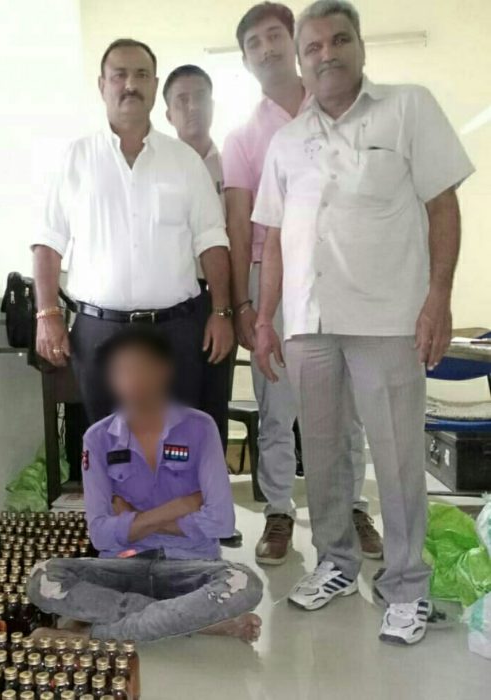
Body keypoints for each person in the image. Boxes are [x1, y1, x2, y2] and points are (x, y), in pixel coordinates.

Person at [252, 0, 474, 645]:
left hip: (387, 320)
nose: (327, 54)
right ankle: (336, 564)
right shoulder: (286, 141)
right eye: (313, 47)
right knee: (322, 457)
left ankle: (406, 585)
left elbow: (442, 205)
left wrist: (438, 298)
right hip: (309, 323)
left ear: (360, 46)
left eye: (339, 40)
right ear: (301, 62)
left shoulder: (407, 108)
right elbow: (274, 238)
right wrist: (264, 318)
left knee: (398, 459)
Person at [222, 1, 381, 566]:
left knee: (349, 402)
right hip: (273, 280)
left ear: (294, 42)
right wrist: (245, 304)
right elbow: (240, 225)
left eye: (274, 36)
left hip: (342, 271)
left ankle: (353, 508)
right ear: (245, 60)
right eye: (253, 43)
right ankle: (279, 512)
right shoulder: (243, 137)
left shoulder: (343, 107)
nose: (266, 48)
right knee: (277, 404)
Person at [32, 38, 234, 424]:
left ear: (154, 86)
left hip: (175, 333)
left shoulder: (185, 162)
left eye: (141, 75)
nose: (130, 85)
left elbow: (212, 240)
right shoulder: (75, 158)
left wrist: (221, 312)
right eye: (119, 75)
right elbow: (48, 242)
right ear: (102, 85)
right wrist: (47, 314)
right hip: (98, 334)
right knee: (110, 448)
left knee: (176, 447)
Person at [27, 326, 263, 643]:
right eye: (122, 372)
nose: (135, 381)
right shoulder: (97, 439)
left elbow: (221, 522)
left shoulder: (200, 427)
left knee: (244, 582)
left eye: (144, 368)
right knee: (43, 577)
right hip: (124, 566)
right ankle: (199, 623)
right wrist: (180, 507)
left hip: (190, 566)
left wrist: (133, 518)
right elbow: (99, 533)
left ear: (164, 372)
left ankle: (92, 637)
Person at [164, 64, 244, 550]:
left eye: (201, 97)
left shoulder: (232, 165)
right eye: (182, 99)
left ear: (214, 105)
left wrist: (228, 309)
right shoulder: (158, 165)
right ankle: (172, 515)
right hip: (167, 303)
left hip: (216, 299)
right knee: (170, 410)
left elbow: (239, 237)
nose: (192, 107)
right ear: (168, 112)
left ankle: (217, 513)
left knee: (211, 409)